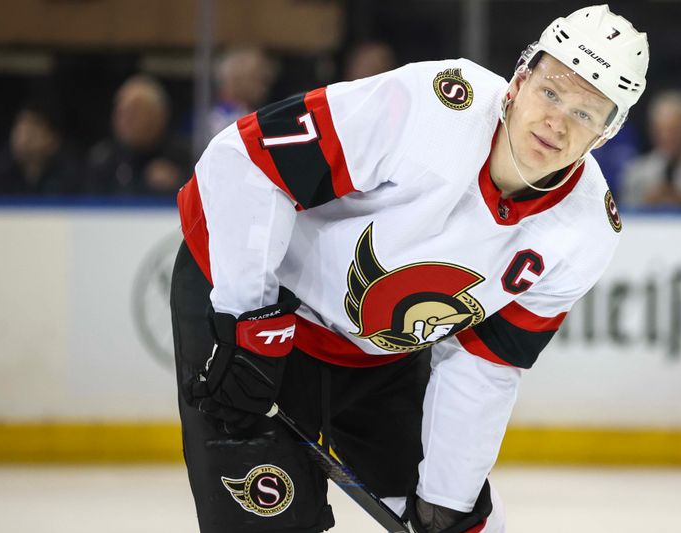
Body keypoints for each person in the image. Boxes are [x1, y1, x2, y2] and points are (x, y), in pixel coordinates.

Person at [170, 4, 648, 532]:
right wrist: (248, 322)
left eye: (585, 113)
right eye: (551, 92)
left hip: (376, 358)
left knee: (464, 523)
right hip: (251, 296)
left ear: (605, 135)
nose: (557, 122)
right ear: (518, 81)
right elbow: (245, 160)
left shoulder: (585, 232)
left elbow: (486, 366)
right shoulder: (433, 106)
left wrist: (447, 497)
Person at [86, 75, 191, 196]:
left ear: (159, 116)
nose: (125, 119)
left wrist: (179, 184)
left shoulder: (184, 158)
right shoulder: (103, 159)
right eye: (120, 111)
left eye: (134, 111)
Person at [0, 101, 82, 195]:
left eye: (31, 133)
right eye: (18, 132)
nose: (22, 140)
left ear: (53, 140)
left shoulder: (72, 177)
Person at [207, 47, 278, 139]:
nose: (264, 88)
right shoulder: (221, 117)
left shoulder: (250, 113)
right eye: (257, 79)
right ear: (237, 79)